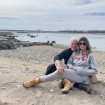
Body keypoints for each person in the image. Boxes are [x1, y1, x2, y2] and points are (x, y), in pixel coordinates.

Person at [23, 37, 98, 94]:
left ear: (87, 44)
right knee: (60, 64)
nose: (82, 45)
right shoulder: (76, 53)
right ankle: (68, 83)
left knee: (61, 72)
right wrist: (69, 66)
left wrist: (78, 70)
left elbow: (95, 70)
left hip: (81, 76)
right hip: (73, 71)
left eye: (84, 43)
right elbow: (68, 62)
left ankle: (37, 80)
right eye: (80, 43)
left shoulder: (90, 56)